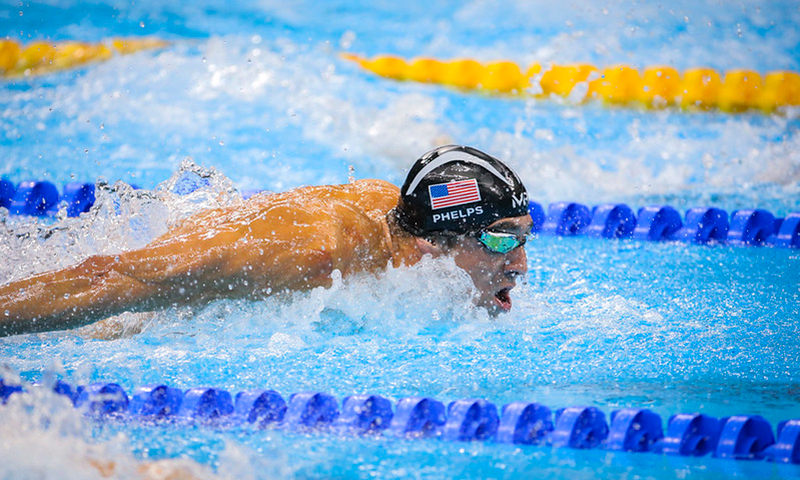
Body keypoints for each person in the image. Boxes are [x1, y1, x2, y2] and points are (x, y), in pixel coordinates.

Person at [0, 145, 532, 337]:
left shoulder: (402, 218)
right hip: (129, 318)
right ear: (433, 245)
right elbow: (114, 276)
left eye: (524, 240)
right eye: (503, 243)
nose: (522, 266)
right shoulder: (310, 253)